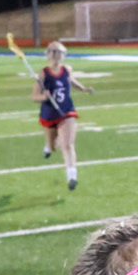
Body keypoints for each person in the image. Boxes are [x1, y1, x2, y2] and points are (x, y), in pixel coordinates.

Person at [33, 41, 94, 191]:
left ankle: (72, 176)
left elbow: (71, 81)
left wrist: (84, 88)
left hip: (66, 111)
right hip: (49, 113)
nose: (56, 55)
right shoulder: (43, 73)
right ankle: (48, 145)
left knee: (67, 145)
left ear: (63, 54)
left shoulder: (67, 70)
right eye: (53, 52)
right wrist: (44, 96)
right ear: (47, 55)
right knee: (54, 146)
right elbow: (35, 96)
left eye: (59, 52)